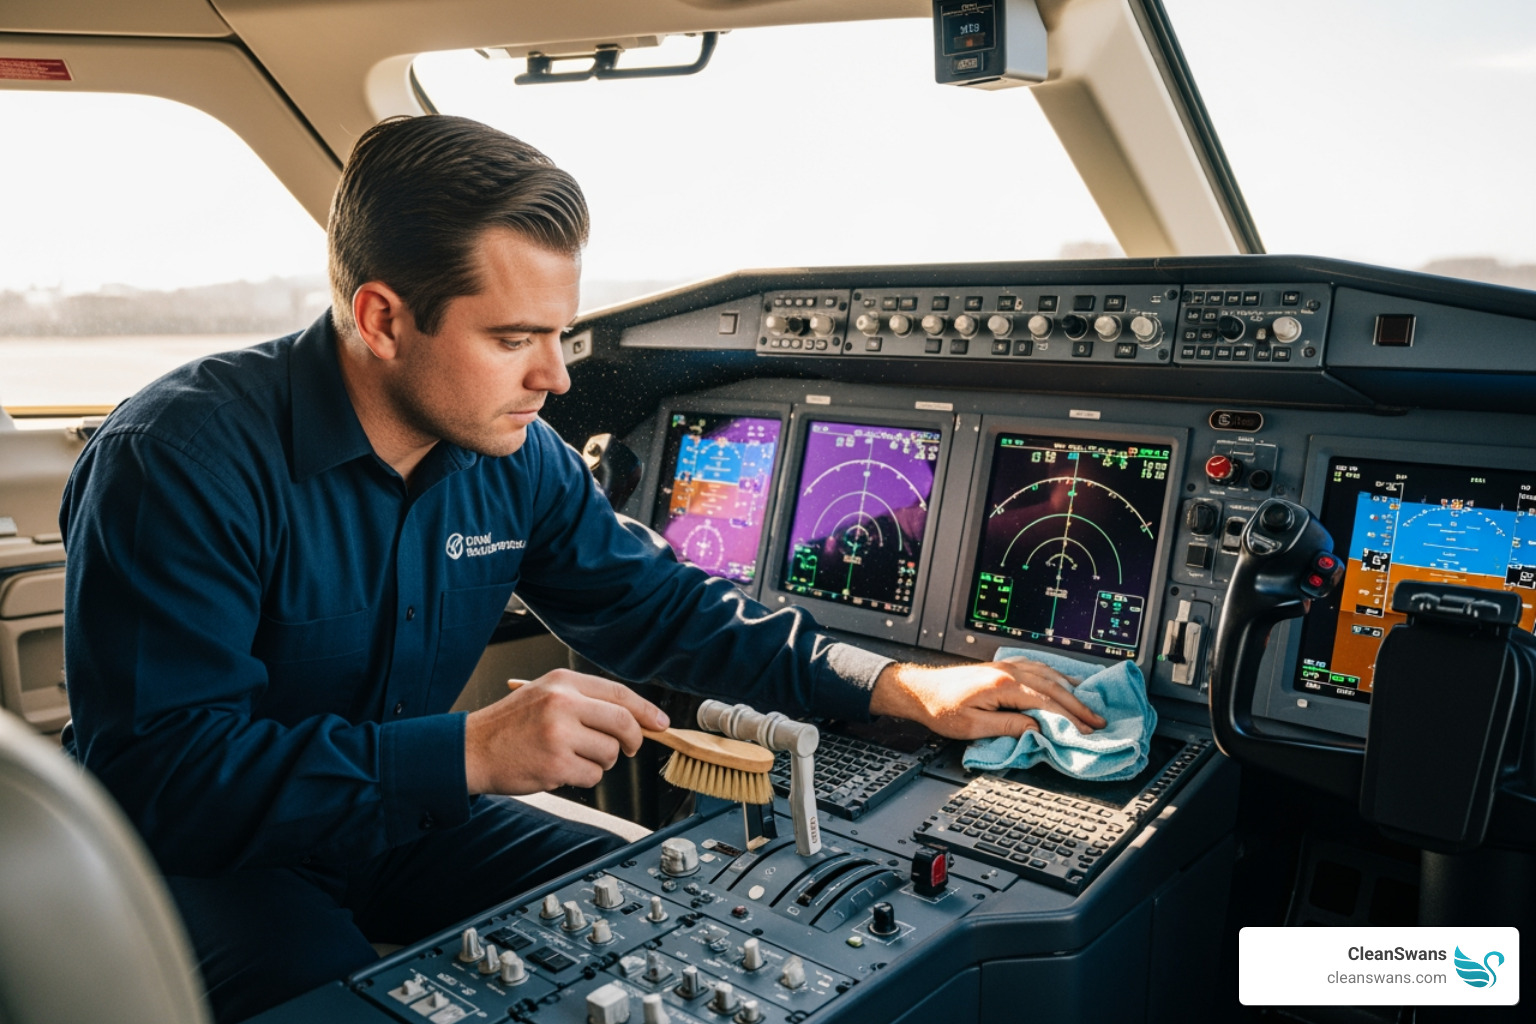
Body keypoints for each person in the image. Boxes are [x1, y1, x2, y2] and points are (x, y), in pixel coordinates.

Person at [58, 114, 1103, 1023]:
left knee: (672, 910)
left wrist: (891, 680)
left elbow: (664, 609)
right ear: (381, 318)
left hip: (404, 825)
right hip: (214, 858)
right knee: (326, 986)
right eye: (515, 337)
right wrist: (468, 751)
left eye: (559, 332)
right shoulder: (178, 459)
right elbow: (163, 778)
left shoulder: (519, 458)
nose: (555, 377)